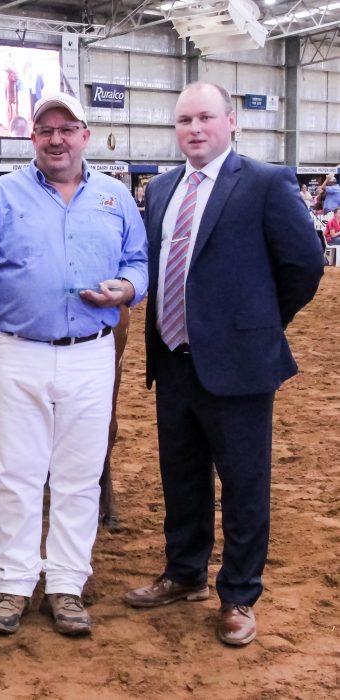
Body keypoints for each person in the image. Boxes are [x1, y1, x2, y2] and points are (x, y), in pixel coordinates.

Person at [0, 92, 148, 636]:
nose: (56, 139)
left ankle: (66, 585)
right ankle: (14, 584)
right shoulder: (2, 194)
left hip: (91, 352)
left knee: (79, 477)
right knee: (17, 474)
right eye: (46, 130)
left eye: (67, 129)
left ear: (84, 136)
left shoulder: (116, 197)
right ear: (33, 139)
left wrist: (127, 287)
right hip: (15, 352)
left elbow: (138, 262)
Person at [124, 82, 324, 646]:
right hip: (174, 359)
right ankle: (184, 571)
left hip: (240, 362)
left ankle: (238, 594)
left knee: (243, 484)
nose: (194, 129)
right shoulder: (162, 188)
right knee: (181, 476)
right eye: (184, 120)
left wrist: (259, 323)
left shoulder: (264, 182)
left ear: (231, 122)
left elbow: (305, 264)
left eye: (205, 117)